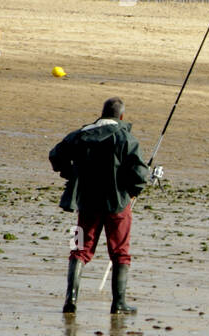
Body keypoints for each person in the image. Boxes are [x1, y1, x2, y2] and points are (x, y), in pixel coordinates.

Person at [48, 98, 156, 314]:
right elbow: (139, 175)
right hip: (118, 205)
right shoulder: (126, 138)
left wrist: (71, 174)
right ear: (122, 117)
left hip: (86, 204)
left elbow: (55, 156)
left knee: (79, 249)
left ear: (102, 113)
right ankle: (118, 304)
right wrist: (138, 186)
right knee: (120, 252)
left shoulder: (80, 134)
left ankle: (71, 299)